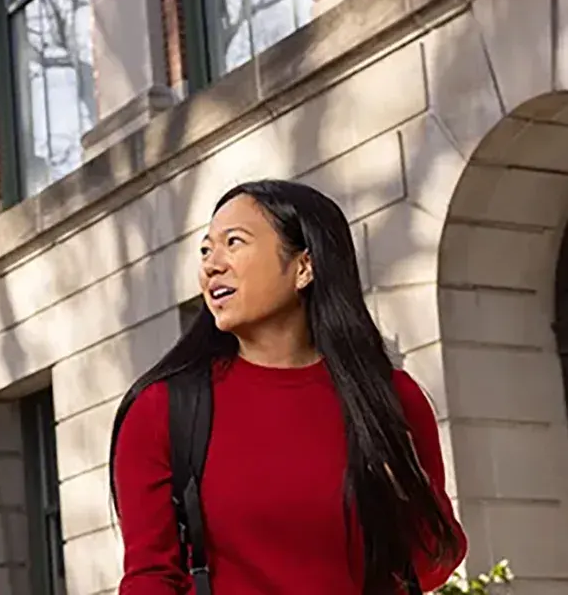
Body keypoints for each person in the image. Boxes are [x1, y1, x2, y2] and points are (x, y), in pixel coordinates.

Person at [109, 179, 467, 594]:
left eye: (234, 243)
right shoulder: (162, 410)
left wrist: (405, 486)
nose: (211, 264)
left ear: (304, 267)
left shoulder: (389, 398)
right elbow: (150, 578)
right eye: (206, 250)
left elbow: (429, 566)